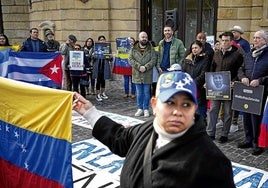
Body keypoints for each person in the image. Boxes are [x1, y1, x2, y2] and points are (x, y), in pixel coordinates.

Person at [72, 71, 236, 188]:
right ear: (154, 105)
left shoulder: (213, 162)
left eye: (186, 104)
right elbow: (120, 138)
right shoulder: (145, 129)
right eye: (170, 102)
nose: (177, 111)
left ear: (195, 109)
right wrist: (89, 112)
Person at [207, 31, 244, 143]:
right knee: (213, 110)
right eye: (222, 40)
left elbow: (241, 70)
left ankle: (224, 134)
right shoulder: (216, 53)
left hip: (229, 87)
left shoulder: (237, 54)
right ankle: (210, 133)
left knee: (228, 112)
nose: (224, 42)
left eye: (226, 40)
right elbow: (212, 69)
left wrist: (236, 81)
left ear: (231, 41)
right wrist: (207, 81)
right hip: (215, 87)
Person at [237, 30, 268, 155]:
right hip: (247, 91)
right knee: (246, 116)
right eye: (254, 38)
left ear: (265, 40)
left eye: (258, 38)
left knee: (257, 117)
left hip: (262, 91)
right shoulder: (249, 54)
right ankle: (248, 139)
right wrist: (242, 77)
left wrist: (260, 80)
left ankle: (257, 143)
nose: (255, 40)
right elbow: (241, 69)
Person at [129, 31, 156, 117]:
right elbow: (130, 59)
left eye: (145, 37)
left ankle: (146, 109)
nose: (144, 38)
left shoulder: (151, 48)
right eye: (142, 37)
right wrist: (139, 66)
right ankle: (140, 108)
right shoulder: (133, 49)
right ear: (139, 38)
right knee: (139, 93)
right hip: (137, 74)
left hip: (147, 74)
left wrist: (146, 67)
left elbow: (153, 59)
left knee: (147, 92)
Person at [229, 25, 250, 133]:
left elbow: (247, 57)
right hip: (229, 73)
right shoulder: (229, 41)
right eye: (232, 31)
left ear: (239, 33)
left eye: (235, 31)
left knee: (236, 100)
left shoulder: (244, 43)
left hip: (239, 74)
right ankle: (224, 120)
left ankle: (235, 122)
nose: (233, 33)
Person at [182, 40, 210, 119]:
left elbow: (203, 74)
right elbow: (183, 73)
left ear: (201, 48)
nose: (194, 49)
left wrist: (192, 83)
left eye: (196, 48)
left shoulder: (205, 59)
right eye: (193, 48)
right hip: (188, 91)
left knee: (200, 115)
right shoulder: (187, 60)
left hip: (199, 91)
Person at [93, 35, 113, 102]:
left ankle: (103, 92)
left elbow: (110, 59)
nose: (102, 41)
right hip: (98, 66)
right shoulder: (95, 47)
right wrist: (93, 55)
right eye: (101, 40)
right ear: (99, 41)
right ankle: (97, 94)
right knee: (98, 80)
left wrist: (110, 56)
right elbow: (91, 58)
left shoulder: (107, 47)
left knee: (103, 80)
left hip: (104, 66)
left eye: (103, 39)